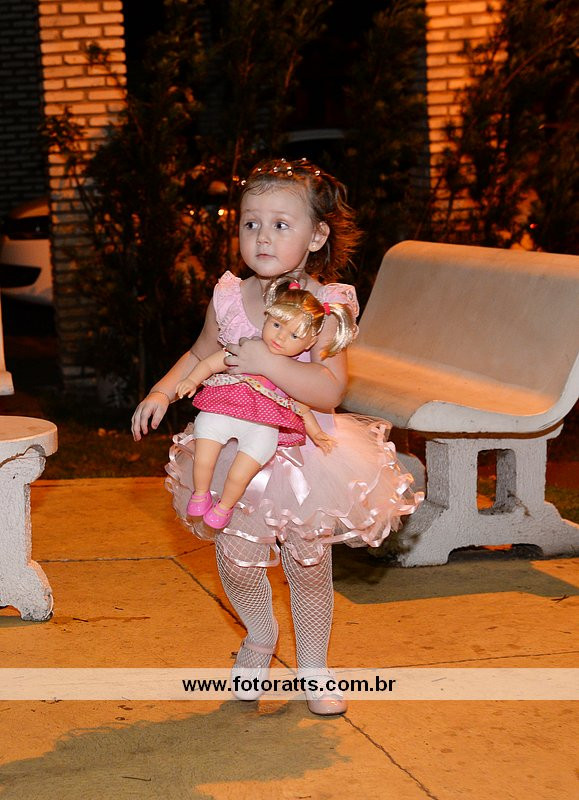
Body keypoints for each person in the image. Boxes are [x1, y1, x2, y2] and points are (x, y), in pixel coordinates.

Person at [132, 157, 422, 715]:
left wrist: (269, 362)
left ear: (317, 236)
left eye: (281, 224)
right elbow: (200, 352)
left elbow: (329, 390)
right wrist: (163, 392)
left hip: (305, 456)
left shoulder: (327, 306)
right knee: (236, 559)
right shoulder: (229, 295)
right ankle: (260, 638)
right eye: (251, 223)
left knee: (308, 566)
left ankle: (314, 668)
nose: (262, 237)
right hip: (234, 450)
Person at [174, 280, 357, 530]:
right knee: (204, 445)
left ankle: (225, 507)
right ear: (267, 317)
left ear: (308, 344)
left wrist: (316, 434)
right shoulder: (246, 347)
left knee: (241, 473)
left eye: (294, 335)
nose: (280, 337)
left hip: (263, 425)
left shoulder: (292, 373)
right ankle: (200, 493)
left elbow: (301, 408)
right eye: (277, 324)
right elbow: (210, 363)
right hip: (224, 408)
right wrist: (191, 380)